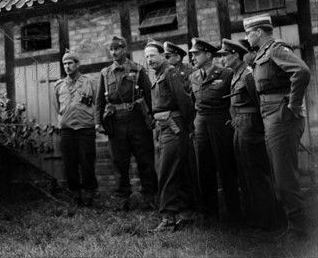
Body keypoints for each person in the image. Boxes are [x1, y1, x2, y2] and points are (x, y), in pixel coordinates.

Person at [244, 14, 311, 240]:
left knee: (285, 176)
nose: (247, 37)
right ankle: (292, 225)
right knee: (279, 172)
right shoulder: (262, 53)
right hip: (269, 114)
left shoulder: (275, 49)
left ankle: (298, 229)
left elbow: (301, 71)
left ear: (259, 32)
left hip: (280, 115)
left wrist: (293, 103)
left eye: (248, 33)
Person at [217, 38, 280, 231]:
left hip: (252, 127)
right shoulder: (236, 74)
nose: (222, 59)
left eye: (225, 55)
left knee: (257, 173)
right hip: (240, 127)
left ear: (235, 55)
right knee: (245, 172)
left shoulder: (248, 75)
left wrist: (261, 129)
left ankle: (268, 219)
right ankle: (253, 217)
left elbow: (258, 103)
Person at [96, 36, 157, 211]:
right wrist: (97, 122)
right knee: (119, 162)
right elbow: (99, 100)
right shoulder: (105, 73)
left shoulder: (138, 70)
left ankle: (149, 197)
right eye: (112, 49)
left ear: (125, 49)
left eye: (118, 49)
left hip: (137, 120)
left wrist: (153, 116)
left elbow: (149, 95)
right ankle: (123, 199)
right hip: (116, 122)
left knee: (145, 160)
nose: (114, 52)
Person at [145, 40, 196, 231]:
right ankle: (186, 214)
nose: (149, 59)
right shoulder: (160, 74)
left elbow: (184, 101)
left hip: (174, 127)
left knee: (166, 171)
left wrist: (187, 127)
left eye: (152, 55)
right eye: (147, 57)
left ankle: (168, 219)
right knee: (178, 170)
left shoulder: (170, 72)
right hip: (164, 126)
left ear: (162, 56)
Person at [188, 38, 241, 222]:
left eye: (196, 54)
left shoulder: (226, 74)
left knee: (226, 168)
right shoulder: (193, 77)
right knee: (204, 170)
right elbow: (192, 103)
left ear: (208, 55)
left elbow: (234, 101)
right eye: (192, 54)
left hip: (221, 123)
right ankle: (210, 215)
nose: (193, 57)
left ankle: (235, 214)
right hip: (201, 124)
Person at [52, 50, 98, 207]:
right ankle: (75, 195)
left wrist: (96, 122)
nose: (67, 66)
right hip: (67, 131)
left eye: (70, 63)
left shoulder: (89, 82)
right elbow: (57, 107)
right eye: (64, 64)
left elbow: (97, 104)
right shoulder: (59, 86)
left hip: (85, 129)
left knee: (87, 163)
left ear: (77, 64)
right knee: (69, 164)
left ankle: (89, 195)